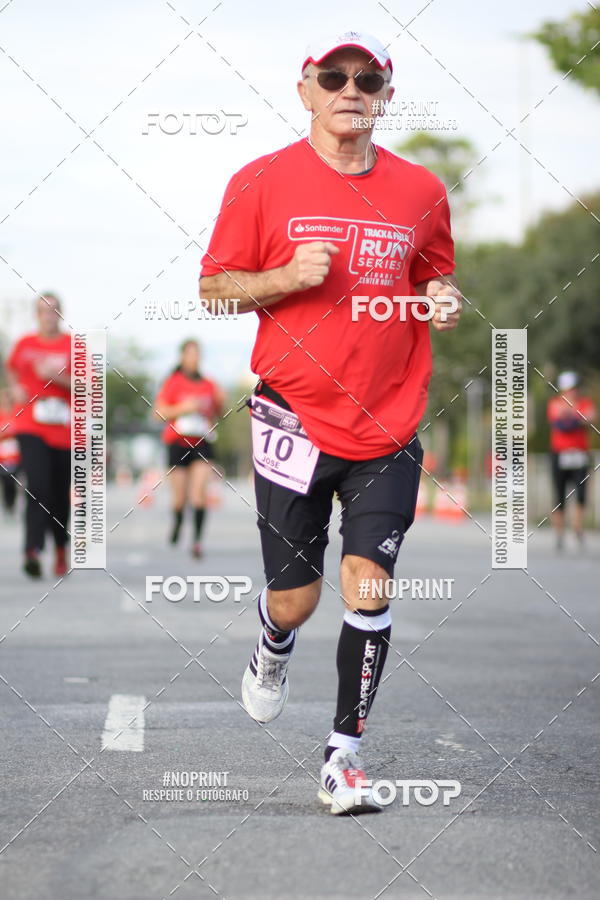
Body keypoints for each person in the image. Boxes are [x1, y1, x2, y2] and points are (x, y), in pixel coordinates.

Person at [200, 31, 462, 814]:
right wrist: (283, 276)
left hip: (389, 418)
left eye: (368, 77)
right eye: (334, 76)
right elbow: (215, 289)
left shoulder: (421, 190)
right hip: (292, 414)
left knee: (369, 585)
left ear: (386, 91)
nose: (352, 88)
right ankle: (273, 645)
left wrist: (444, 296)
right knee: (296, 598)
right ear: (306, 88)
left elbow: (434, 269)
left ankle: (344, 755)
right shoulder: (261, 181)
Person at [6, 293, 71, 578]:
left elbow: (88, 385)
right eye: (43, 310)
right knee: (38, 486)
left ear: (60, 314)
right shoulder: (24, 344)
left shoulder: (73, 346)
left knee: (58, 494)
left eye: (54, 310)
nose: (49, 315)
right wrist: (16, 387)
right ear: (37, 315)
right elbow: (11, 369)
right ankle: (31, 550)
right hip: (31, 426)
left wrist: (56, 376)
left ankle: (59, 548)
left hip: (63, 432)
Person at [154, 339, 224, 558]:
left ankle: (197, 541)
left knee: (199, 496)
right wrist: (183, 408)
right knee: (179, 499)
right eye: (190, 354)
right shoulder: (173, 382)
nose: (194, 358)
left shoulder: (209, 384)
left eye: (197, 354)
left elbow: (218, 413)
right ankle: (177, 522)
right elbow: (158, 413)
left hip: (201, 443)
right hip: (177, 442)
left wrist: (221, 403)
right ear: (182, 356)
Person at [547, 371, 596, 551]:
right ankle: (559, 533)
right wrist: (579, 418)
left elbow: (590, 418)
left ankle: (578, 528)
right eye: (570, 389)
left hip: (580, 454)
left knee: (582, 494)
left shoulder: (585, 403)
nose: (573, 392)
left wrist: (570, 416)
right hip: (560, 454)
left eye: (575, 388)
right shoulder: (555, 403)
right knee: (560, 495)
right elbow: (560, 425)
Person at [0, 387, 21, 514]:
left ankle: (11, 504)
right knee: (5, 481)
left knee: (12, 481)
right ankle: (7, 504)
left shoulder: (17, 413)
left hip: (17, 456)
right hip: (2, 456)